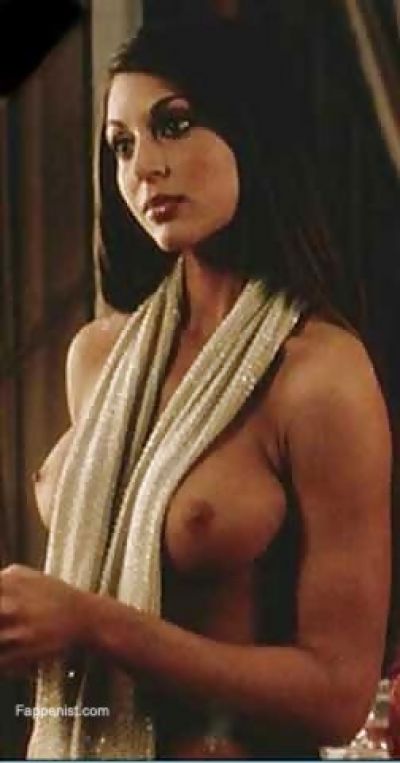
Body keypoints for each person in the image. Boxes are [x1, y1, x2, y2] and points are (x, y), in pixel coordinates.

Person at [0, 12, 392, 760]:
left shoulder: (319, 375)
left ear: (249, 130)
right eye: (121, 144)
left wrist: (92, 624)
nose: (144, 166)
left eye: (174, 125)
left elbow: (340, 696)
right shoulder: (98, 357)